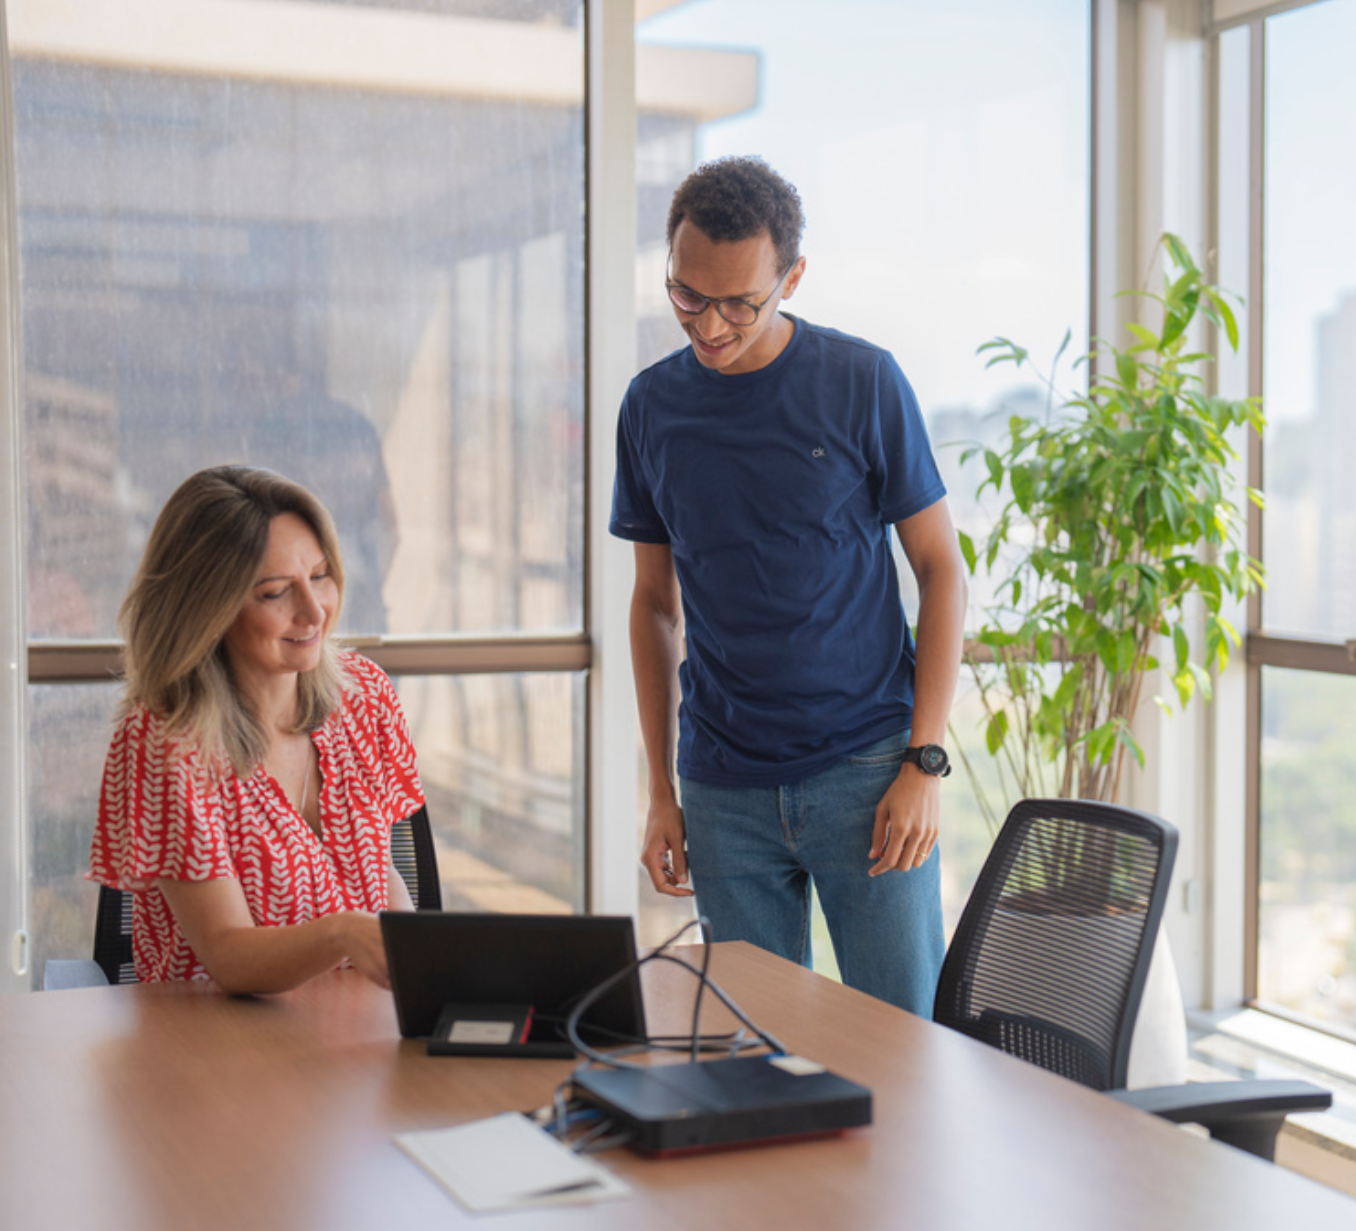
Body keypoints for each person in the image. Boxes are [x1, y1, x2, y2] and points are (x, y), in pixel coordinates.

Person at [610, 156, 968, 1016]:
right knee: (753, 1052)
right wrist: (661, 789)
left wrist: (924, 758)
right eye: (688, 296)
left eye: (739, 301)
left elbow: (941, 569)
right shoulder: (650, 408)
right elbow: (655, 605)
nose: (710, 323)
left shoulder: (862, 381)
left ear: (792, 278)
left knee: (905, 1040)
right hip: (723, 788)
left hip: (871, 775)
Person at [89, 465, 424, 993]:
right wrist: (341, 934)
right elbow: (227, 953)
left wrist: (421, 965)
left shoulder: (364, 698)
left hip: (358, 1032)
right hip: (215, 1045)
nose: (314, 611)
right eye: (275, 593)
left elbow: (380, 876)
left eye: (319, 576)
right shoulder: (169, 740)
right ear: (208, 608)